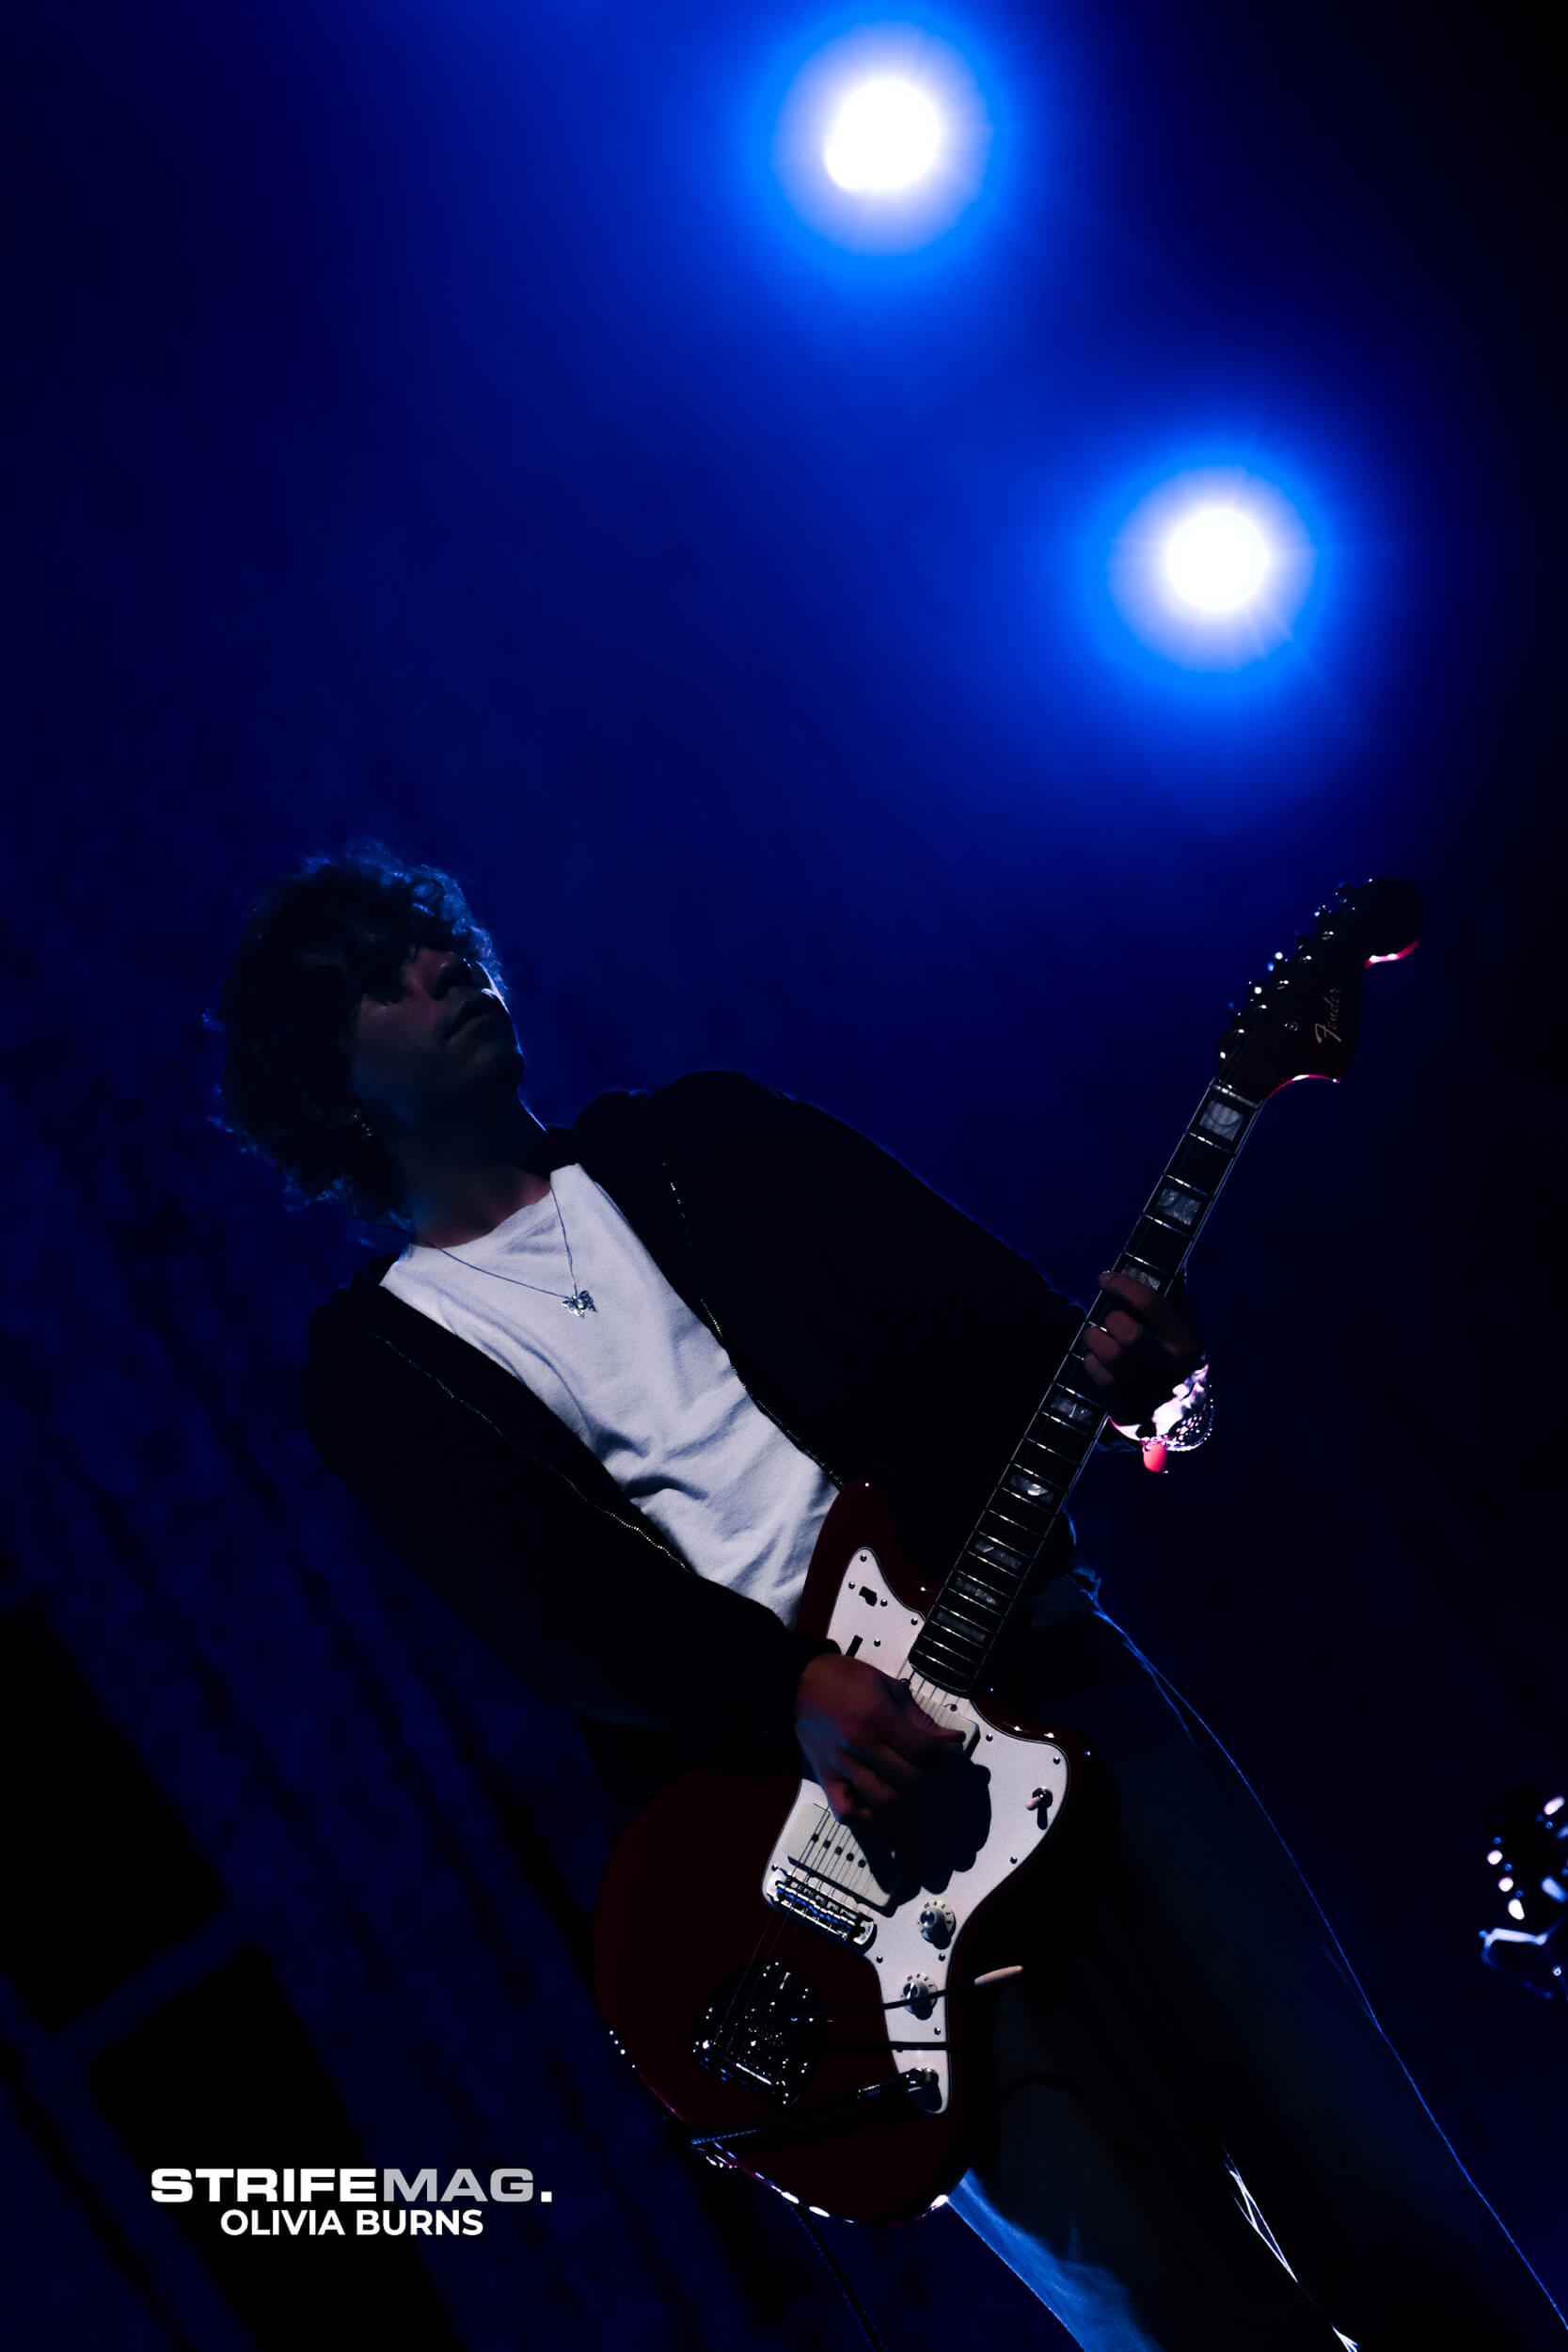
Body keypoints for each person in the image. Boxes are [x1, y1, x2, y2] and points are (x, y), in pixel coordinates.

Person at [220, 850, 1564, 2352]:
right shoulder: (381, 1371)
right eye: (383, 982)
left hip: (1057, 1686)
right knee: (1165, 2302)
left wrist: (1153, 1385)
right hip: (826, 1865)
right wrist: (774, 1691)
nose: (442, 974)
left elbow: (1011, 1340)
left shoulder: (713, 1143)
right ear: (330, 1087)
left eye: (439, 946)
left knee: (1368, 2161)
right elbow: (543, 1613)